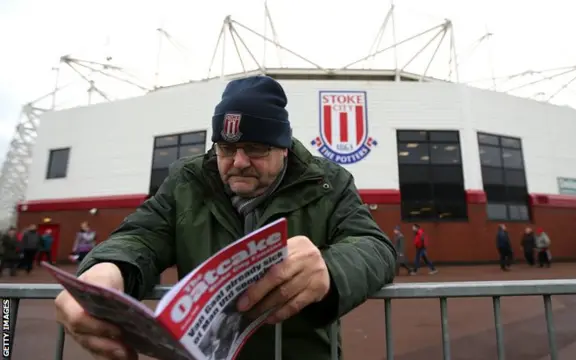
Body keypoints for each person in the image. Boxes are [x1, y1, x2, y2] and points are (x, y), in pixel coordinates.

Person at [54, 75, 397, 360]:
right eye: (227, 148)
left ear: (284, 147)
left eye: (256, 148)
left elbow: (375, 246)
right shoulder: (187, 181)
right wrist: (105, 272)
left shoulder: (328, 182)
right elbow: (141, 235)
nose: (239, 161)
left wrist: (330, 267)